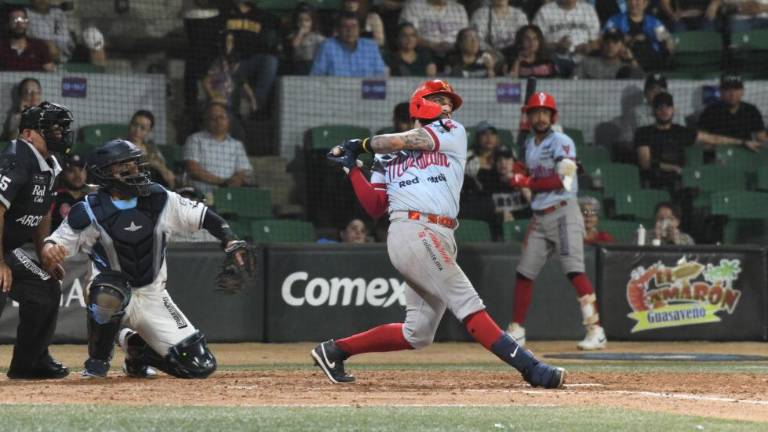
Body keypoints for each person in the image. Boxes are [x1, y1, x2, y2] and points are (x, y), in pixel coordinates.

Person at [312, 79, 566, 389]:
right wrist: (352, 169)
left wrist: (360, 145)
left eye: (449, 102)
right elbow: (376, 204)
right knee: (467, 302)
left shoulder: (452, 132)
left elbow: (402, 140)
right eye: (440, 99)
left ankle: (335, 350)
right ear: (421, 101)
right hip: (411, 230)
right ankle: (531, 368)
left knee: (416, 334)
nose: (447, 106)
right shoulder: (386, 156)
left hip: (441, 233)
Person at [41, 139, 250, 378]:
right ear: (106, 174)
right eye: (125, 167)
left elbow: (205, 217)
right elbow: (55, 242)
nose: (135, 171)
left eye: (136, 165)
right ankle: (97, 362)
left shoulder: (160, 199)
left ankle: (134, 349)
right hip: (115, 293)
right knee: (107, 292)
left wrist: (230, 240)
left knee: (199, 366)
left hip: (154, 296)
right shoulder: (89, 209)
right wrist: (50, 250)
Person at [504, 92, 606, 351]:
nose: (540, 117)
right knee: (524, 273)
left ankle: (596, 330)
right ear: (529, 117)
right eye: (535, 112)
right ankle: (516, 330)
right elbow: (523, 169)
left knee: (574, 270)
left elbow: (565, 179)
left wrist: (525, 182)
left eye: (544, 112)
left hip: (563, 211)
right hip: (539, 215)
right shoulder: (528, 144)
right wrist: (516, 173)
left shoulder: (562, 141)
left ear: (552, 116)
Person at [0, 101, 74, 379]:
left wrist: (43, 249)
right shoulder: (16, 157)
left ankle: (29, 363)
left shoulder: (52, 164)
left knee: (44, 287)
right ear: (28, 133)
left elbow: (44, 209)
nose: (59, 134)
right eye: (51, 129)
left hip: (8, 246)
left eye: (61, 129)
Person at [635, 92, 760, 192]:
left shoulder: (681, 131)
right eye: (660, 107)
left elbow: (713, 139)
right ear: (653, 111)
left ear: (673, 109)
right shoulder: (644, 132)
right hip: (654, 183)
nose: (664, 111)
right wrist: (671, 167)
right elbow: (646, 163)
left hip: (681, 184)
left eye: (668, 107)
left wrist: (743, 142)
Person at [183, 102, 255, 195]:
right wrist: (221, 182)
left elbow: (243, 171)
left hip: (229, 195)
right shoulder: (195, 139)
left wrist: (236, 180)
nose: (218, 121)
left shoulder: (237, 145)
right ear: (206, 120)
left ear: (228, 120)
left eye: (222, 117)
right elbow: (193, 169)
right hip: (200, 194)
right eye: (213, 118)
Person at [220, 0, 279, 111]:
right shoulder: (223, 14)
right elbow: (221, 41)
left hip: (250, 60)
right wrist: (230, 59)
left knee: (271, 61)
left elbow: (276, 29)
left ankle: (256, 103)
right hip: (226, 64)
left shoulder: (261, 15)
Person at [532, 0, 601, 77]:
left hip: (582, 62)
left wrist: (588, 47)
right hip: (553, 62)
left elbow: (597, 43)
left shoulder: (588, 10)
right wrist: (556, 46)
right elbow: (534, 44)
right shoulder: (545, 11)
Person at [26, 0, 106, 65]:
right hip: (44, 53)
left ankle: (100, 75)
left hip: (69, 50)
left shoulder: (58, 12)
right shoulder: (26, 14)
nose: (42, 0)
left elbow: (66, 37)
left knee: (94, 37)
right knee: (50, 48)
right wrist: (46, 43)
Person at [697, 74, 768, 148]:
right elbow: (701, 137)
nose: (732, 94)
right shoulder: (710, 111)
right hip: (720, 151)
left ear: (742, 91)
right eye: (727, 89)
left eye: (736, 89)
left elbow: (761, 137)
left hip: (745, 152)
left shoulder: (751, 110)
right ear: (721, 92)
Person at [202, 30, 258, 121]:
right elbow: (206, 82)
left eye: (231, 41)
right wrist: (215, 98)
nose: (228, 44)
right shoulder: (216, 62)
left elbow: (244, 84)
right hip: (217, 106)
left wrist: (252, 100)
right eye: (227, 40)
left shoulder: (235, 63)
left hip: (231, 108)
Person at [604, 0, 674, 72]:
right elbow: (605, 41)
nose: (633, 3)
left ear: (645, 3)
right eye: (630, 0)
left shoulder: (655, 23)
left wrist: (650, 37)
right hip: (624, 64)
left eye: (637, 0)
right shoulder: (615, 21)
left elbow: (667, 41)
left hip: (651, 63)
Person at [310, 11, 388, 77]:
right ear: (337, 30)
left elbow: (381, 75)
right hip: (335, 92)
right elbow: (316, 76)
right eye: (345, 26)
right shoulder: (327, 46)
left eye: (354, 26)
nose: (350, 30)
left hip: (365, 93)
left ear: (359, 29)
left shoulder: (370, 47)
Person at [399, 0, 469, 59]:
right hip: (422, 54)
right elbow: (407, 36)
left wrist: (452, 46)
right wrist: (433, 45)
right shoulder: (413, 6)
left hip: (455, 55)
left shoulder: (459, 9)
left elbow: (466, 36)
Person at [126, 110, 176, 189]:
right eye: (135, 125)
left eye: (142, 128)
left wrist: (161, 168)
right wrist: (149, 161)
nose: (137, 130)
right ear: (130, 124)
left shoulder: (151, 148)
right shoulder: (120, 144)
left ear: (148, 131)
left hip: (153, 183)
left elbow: (162, 167)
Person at [574, 29, 644, 79]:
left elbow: (642, 81)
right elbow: (573, 82)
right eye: (607, 42)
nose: (610, 46)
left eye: (615, 42)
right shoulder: (587, 63)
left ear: (622, 46)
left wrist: (631, 59)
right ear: (602, 45)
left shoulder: (627, 67)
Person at [51, 153, 95, 230]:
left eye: (81, 170)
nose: (77, 175)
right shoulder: (54, 197)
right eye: (71, 171)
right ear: (63, 173)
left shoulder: (93, 197)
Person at [286, 3, 325, 75]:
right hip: (298, 64)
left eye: (307, 20)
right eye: (300, 20)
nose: (303, 23)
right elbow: (294, 45)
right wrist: (300, 33)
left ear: (313, 22)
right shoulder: (293, 35)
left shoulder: (317, 37)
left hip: (313, 64)